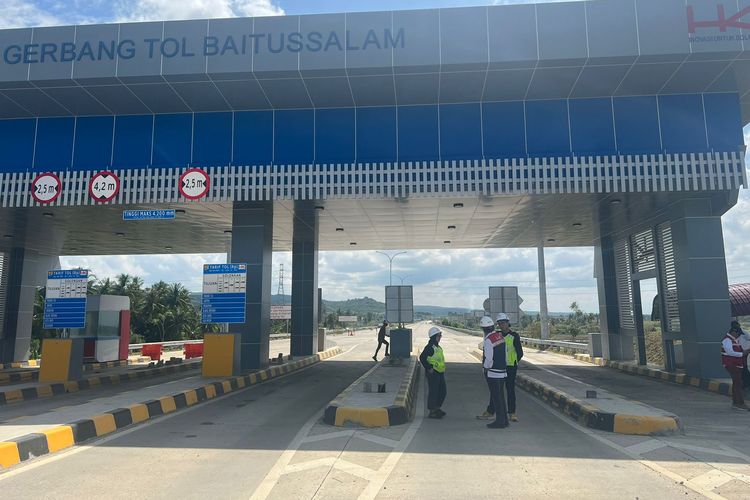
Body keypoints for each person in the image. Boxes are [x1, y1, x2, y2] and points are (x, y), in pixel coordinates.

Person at [482, 320, 509, 429]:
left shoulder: (488, 340)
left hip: (493, 372)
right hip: (502, 371)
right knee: (501, 397)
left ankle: (499, 421)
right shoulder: (500, 337)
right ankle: (505, 420)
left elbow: (489, 358)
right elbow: (505, 354)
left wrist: (486, 367)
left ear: (483, 329)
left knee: (496, 397)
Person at [497, 313, 523, 422]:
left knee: (510, 390)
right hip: (499, 367)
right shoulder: (497, 336)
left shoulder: (514, 336)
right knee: (497, 390)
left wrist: (514, 361)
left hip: (511, 368)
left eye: (503, 323)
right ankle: (493, 411)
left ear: (508, 323)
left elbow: (520, 353)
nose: (502, 325)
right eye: (500, 323)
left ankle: (512, 413)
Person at [420, 326, 447, 419]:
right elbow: (422, 357)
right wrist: (429, 367)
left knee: (442, 391)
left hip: (439, 372)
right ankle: (432, 411)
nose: (440, 337)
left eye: (440, 335)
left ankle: (436, 408)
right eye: (439, 335)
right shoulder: (430, 347)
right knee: (434, 392)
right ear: (434, 336)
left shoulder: (437, 347)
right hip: (433, 373)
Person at [722, 322, 750, 410]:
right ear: (734, 332)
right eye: (738, 334)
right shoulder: (727, 340)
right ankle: (739, 403)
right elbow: (730, 352)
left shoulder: (733, 340)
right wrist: (742, 354)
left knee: (737, 383)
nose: (738, 336)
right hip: (732, 365)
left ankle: (736, 402)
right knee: (738, 383)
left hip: (736, 365)